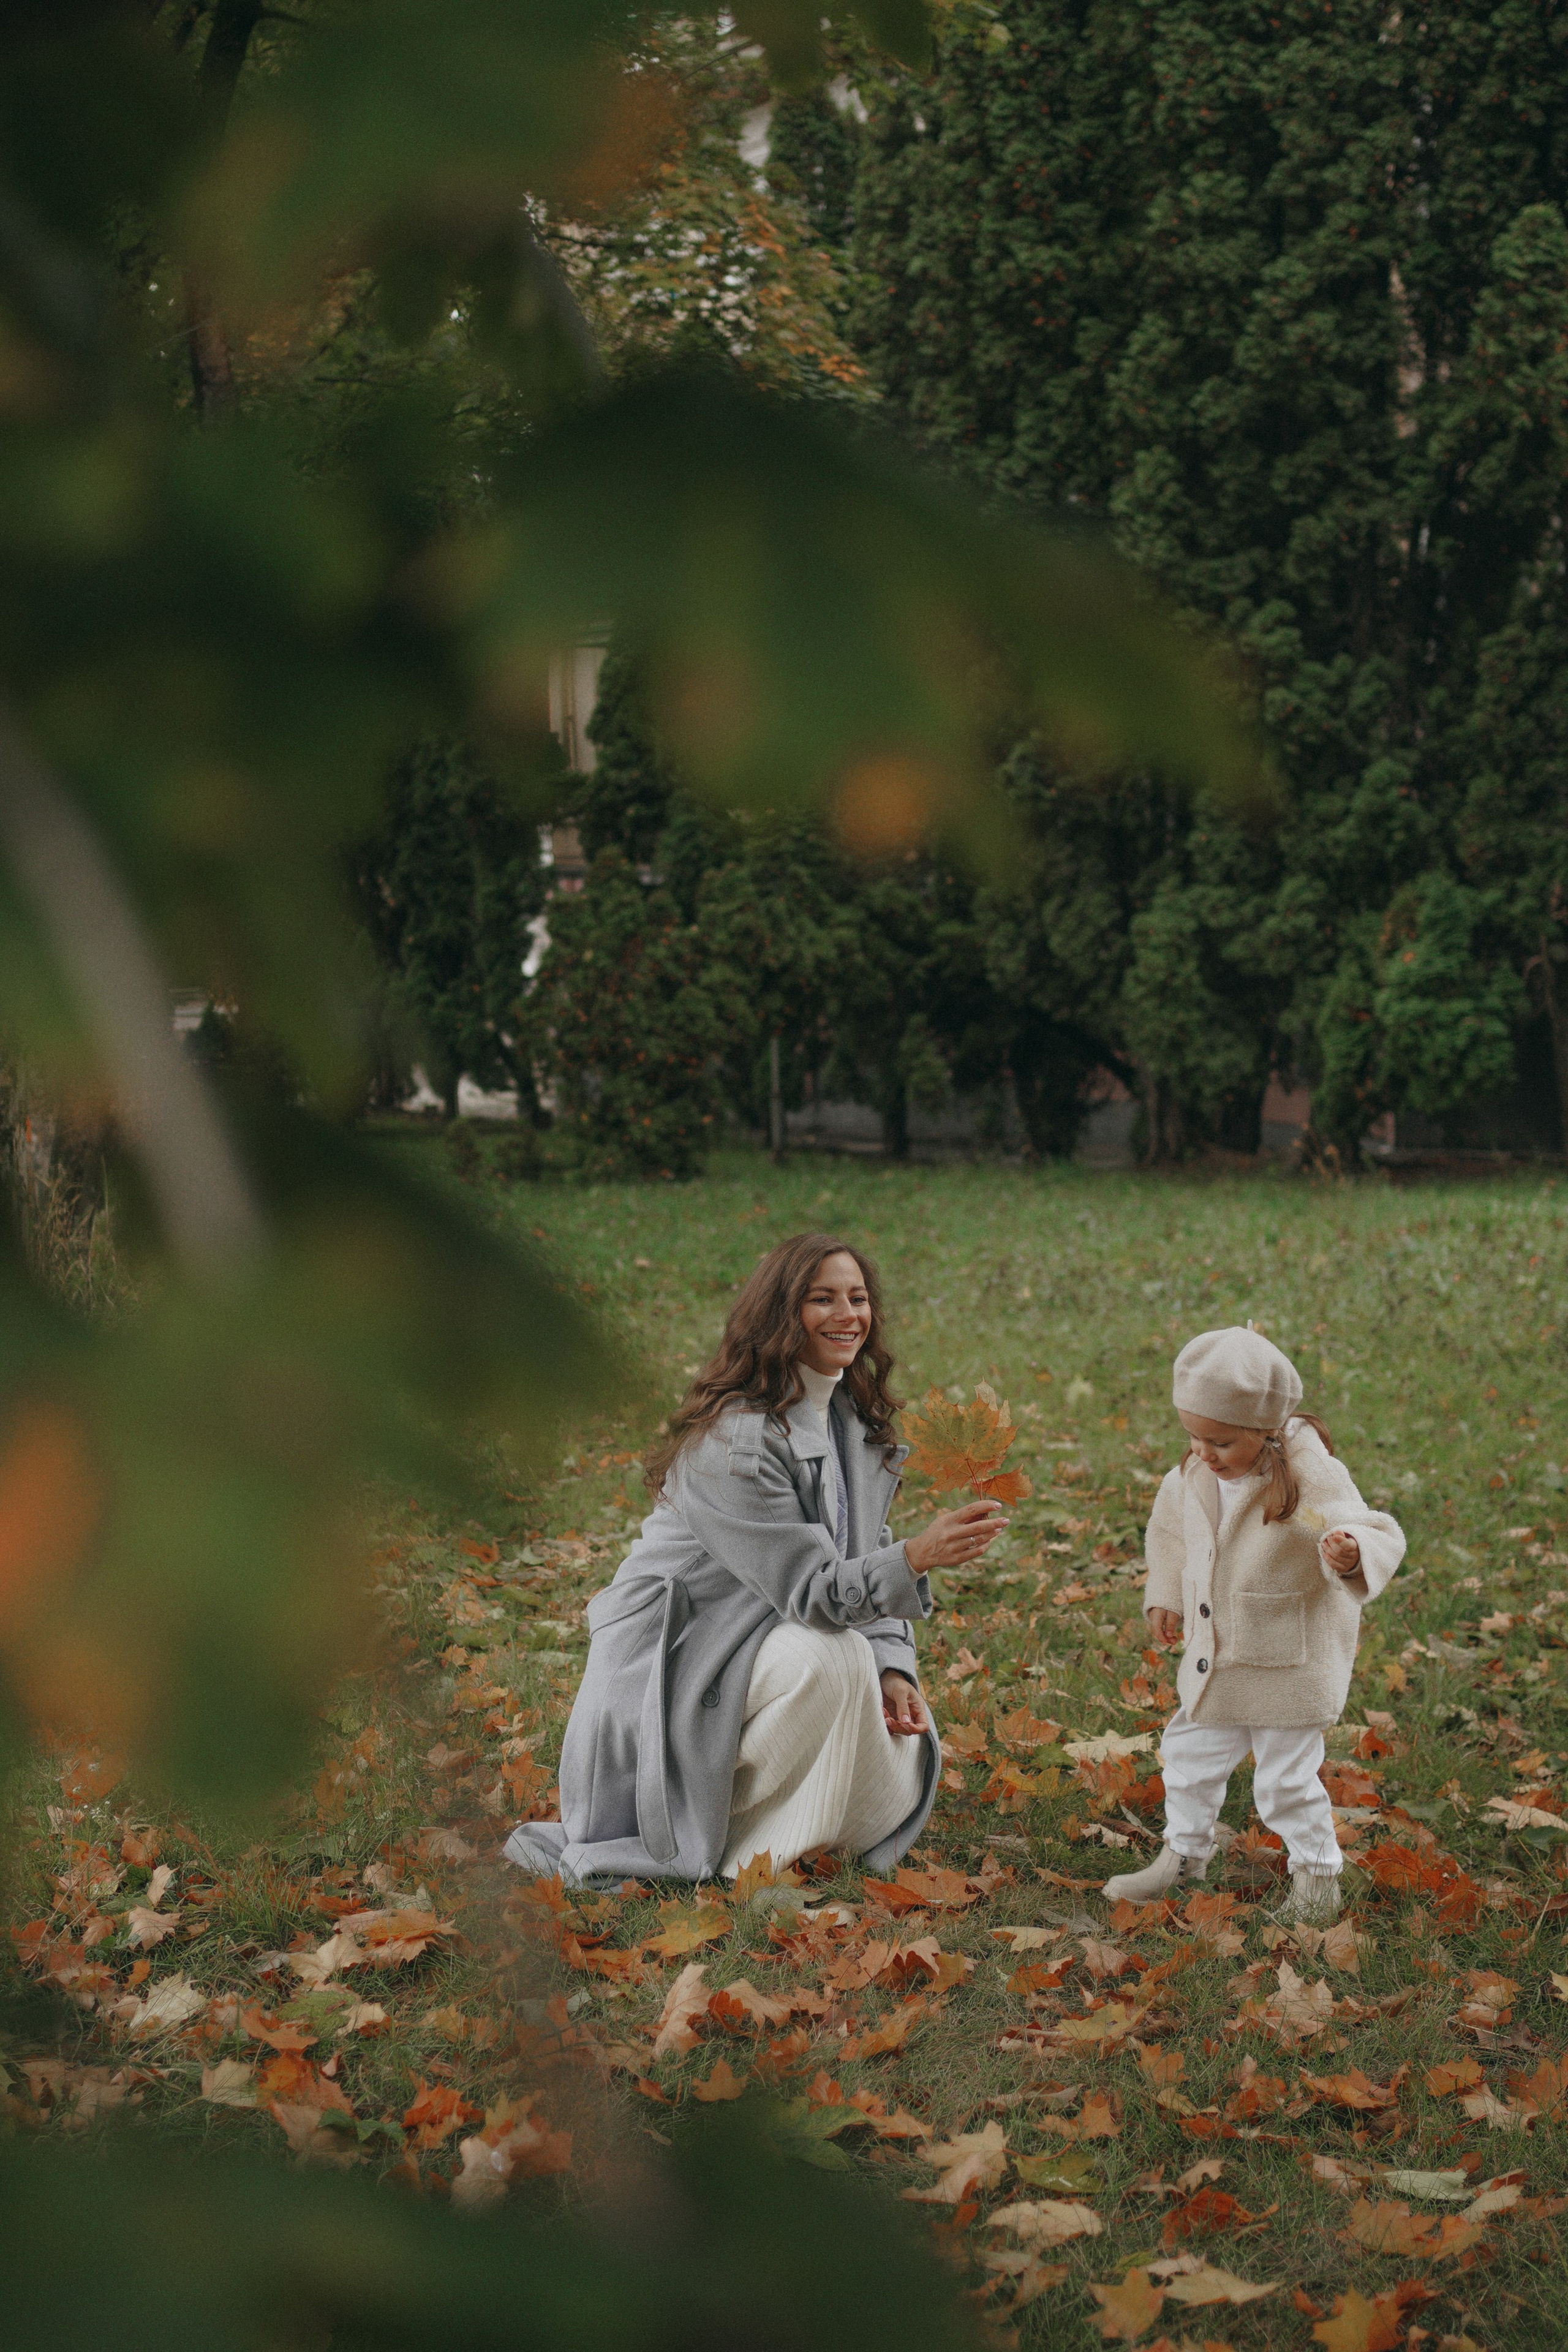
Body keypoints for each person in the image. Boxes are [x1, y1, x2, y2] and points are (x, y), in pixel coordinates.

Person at [503, 1232, 1005, 1887]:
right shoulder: (735, 1442)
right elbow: (815, 1592)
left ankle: (796, 1831)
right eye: (822, 1299)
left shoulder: (849, 1419)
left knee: (879, 1707)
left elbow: (863, 1551)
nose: (847, 1315)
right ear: (780, 1314)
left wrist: (892, 1666)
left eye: (857, 1298)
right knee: (833, 1657)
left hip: (761, 1635)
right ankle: (744, 1856)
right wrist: (916, 1557)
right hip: (678, 1661)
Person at [1103, 1325, 1404, 1924]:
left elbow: (1368, 1528)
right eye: (1192, 1436)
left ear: (1265, 1430)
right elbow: (1171, 1532)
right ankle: (1183, 1856)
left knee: (1284, 1781)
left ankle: (1317, 1878)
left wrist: (1350, 1552)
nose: (1203, 1453)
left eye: (1220, 1441)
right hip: (1219, 1659)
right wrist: (1167, 1594)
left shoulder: (1306, 1474)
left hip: (1286, 1664)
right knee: (1187, 1757)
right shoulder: (1194, 1474)